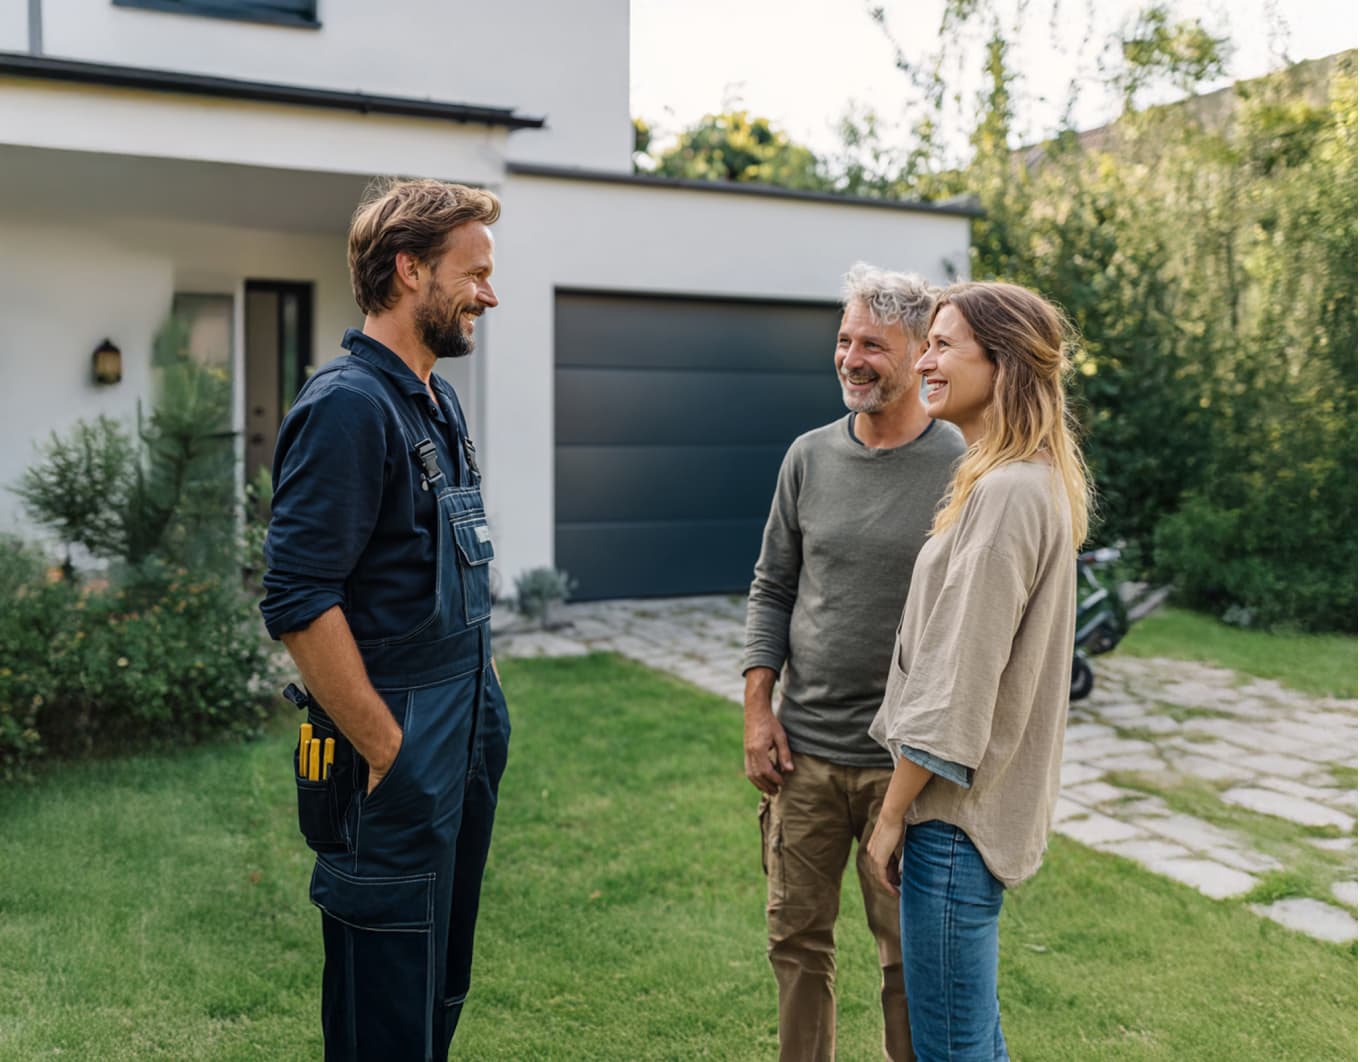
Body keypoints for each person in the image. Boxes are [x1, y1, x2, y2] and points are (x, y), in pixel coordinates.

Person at [259, 177, 510, 1062]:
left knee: (435, 992)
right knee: (382, 1022)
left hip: (461, 736)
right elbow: (298, 600)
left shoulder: (431, 401)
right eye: (472, 273)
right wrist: (387, 752)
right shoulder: (346, 408)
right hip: (397, 755)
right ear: (408, 269)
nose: (489, 292)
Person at [743, 263, 966, 1062]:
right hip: (802, 757)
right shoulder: (807, 457)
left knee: (907, 958)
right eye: (843, 339)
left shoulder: (962, 466)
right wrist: (757, 709)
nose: (851, 358)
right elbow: (772, 587)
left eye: (873, 343)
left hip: (904, 766)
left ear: (917, 354)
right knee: (796, 943)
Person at [864, 281, 1093, 1061]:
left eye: (943, 344)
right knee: (970, 1042)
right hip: (968, 819)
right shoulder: (1019, 483)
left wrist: (891, 815)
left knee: (953, 1051)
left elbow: (957, 687)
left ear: (1004, 364)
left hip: (953, 823)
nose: (923, 359)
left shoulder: (1007, 494)